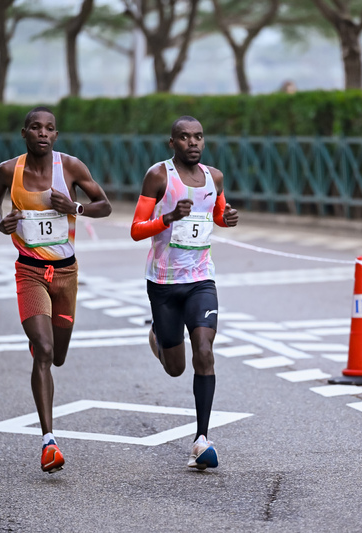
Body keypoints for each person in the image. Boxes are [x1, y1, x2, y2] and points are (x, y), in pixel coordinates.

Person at [0, 106, 112, 473]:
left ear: (55, 135)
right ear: (24, 133)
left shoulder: (70, 167)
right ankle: (48, 441)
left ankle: (43, 341)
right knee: (43, 351)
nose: (43, 133)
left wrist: (75, 207)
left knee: (58, 355)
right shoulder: (8, 171)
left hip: (66, 274)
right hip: (30, 271)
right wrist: (0, 222)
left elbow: (105, 205)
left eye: (49, 128)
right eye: (36, 127)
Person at [130, 115, 238, 470]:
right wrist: (168, 217)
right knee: (175, 367)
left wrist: (227, 217)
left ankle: (201, 439)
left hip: (201, 279)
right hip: (164, 283)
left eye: (199, 137)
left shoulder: (214, 177)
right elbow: (136, 229)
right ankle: (158, 337)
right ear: (172, 142)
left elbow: (216, 215)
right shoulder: (159, 176)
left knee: (204, 351)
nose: (193, 142)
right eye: (185, 137)